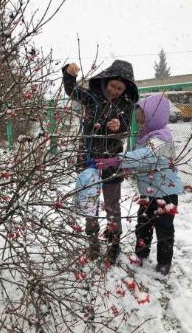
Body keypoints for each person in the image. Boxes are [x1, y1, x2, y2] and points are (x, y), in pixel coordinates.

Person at [96, 94, 183, 275]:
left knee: (164, 228)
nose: (140, 124)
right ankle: (141, 254)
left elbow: (146, 155)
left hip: (165, 192)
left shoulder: (162, 137)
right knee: (143, 223)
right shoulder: (144, 136)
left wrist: (118, 160)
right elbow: (141, 160)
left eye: (143, 120)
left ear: (156, 117)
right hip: (148, 191)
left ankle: (164, 262)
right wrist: (128, 169)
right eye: (139, 121)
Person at [62, 60, 139, 263]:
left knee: (112, 203)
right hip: (89, 158)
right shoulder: (91, 97)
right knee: (90, 202)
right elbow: (71, 91)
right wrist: (69, 75)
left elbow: (126, 130)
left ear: (125, 89)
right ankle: (93, 240)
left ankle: (114, 242)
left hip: (112, 159)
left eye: (119, 88)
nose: (114, 90)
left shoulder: (126, 104)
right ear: (106, 81)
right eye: (112, 85)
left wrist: (119, 125)